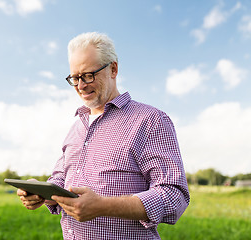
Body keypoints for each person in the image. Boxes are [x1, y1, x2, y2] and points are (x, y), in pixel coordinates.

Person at [17, 32, 190, 239]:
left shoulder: (151, 120)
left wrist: (103, 206)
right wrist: (43, 194)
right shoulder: (76, 127)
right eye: (74, 78)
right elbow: (62, 178)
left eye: (88, 75)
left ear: (113, 69)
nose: (80, 85)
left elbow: (173, 196)